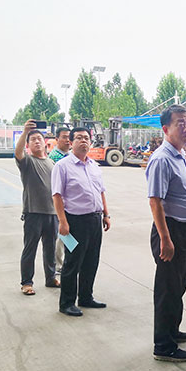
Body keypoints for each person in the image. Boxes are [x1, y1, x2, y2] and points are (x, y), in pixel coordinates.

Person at [146, 104, 186, 362]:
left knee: (178, 286)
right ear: (166, 128)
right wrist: (165, 240)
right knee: (167, 289)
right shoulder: (162, 159)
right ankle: (163, 345)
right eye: (181, 123)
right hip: (171, 231)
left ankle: (173, 330)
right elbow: (155, 202)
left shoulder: (179, 155)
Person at [51, 127, 111, 317]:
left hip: (94, 220)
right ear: (71, 142)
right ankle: (66, 303)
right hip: (74, 222)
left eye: (86, 138)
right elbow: (57, 195)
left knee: (91, 261)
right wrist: (62, 222)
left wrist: (106, 214)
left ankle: (86, 297)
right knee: (72, 263)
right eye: (79, 138)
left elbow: (101, 191)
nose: (83, 140)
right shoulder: (62, 166)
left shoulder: (94, 166)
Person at [15, 119, 59, 295]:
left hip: (52, 213)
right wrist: (25, 132)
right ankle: (27, 282)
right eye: (32, 140)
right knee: (30, 249)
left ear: (45, 142)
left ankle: (51, 278)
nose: (36, 141)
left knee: (50, 249)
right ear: (28, 145)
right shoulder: (27, 162)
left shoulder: (52, 163)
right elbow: (18, 152)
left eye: (39, 139)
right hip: (33, 213)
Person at [48, 126, 71, 278]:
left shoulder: (69, 155)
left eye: (69, 137)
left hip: (70, 204)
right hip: (59, 203)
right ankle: (59, 264)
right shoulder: (54, 158)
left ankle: (67, 262)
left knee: (68, 235)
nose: (67, 140)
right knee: (61, 235)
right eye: (64, 137)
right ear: (57, 139)